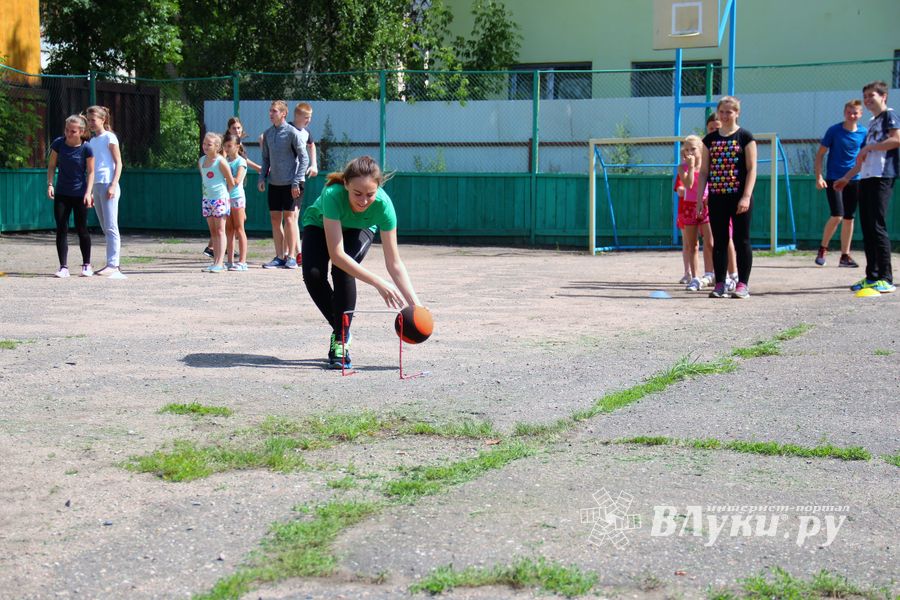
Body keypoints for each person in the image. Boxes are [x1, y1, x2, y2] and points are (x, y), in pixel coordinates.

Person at [301, 156, 421, 369]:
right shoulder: (332, 195)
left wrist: (416, 305)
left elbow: (394, 263)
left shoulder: (384, 207)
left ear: (378, 189)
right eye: (357, 193)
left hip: (360, 228)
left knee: (343, 271)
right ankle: (342, 327)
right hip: (319, 224)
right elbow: (337, 254)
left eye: (370, 195)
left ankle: (340, 339)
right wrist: (378, 283)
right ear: (346, 184)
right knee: (313, 275)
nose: (363, 201)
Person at [835, 80, 899, 294]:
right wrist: (847, 178)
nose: (868, 99)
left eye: (872, 95)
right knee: (868, 228)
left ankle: (886, 278)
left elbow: (896, 140)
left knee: (877, 226)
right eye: (866, 96)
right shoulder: (872, 122)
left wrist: (872, 146)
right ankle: (872, 275)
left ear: (883, 97)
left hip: (883, 176)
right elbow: (862, 157)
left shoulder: (889, 115)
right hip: (867, 177)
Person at [697, 96, 757, 299]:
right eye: (722, 111)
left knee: (742, 240)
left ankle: (742, 284)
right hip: (717, 197)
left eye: (729, 112)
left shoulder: (746, 137)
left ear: (737, 113)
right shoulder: (709, 140)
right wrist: (699, 198)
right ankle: (720, 283)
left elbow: (751, 169)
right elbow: (704, 171)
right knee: (719, 241)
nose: (725, 115)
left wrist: (746, 197)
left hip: (739, 198)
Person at [813, 100, 866, 268]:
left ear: (860, 114)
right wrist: (819, 177)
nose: (852, 115)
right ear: (844, 113)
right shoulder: (834, 131)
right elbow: (820, 154)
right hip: (834, 179)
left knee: (849, 218)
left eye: (855, 112)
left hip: (855, 179)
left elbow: (864, 156)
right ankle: (823, 248)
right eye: (849, 112)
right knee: (837, 215)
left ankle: (845, 256)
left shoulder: (864, 132)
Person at [258, 100, 307, 269]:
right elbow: (265, 159)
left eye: (274, 111)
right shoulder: (267, 134)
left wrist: (296, 182)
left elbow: (304, 158)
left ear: (283, 114)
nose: (271, 114)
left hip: (291, 184)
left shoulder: (292, 133)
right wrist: (262, 178)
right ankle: (280, 256)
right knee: (275, 219)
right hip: (274, 183)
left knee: (290, 219)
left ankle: (292, 257)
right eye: (270, 111)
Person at [203, 117, 262, 259]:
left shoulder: (239, 156)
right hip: (224, 196)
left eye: (239, 128)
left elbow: (240, 169)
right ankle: (220, 254)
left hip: (235, 195)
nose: (237, 130)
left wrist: (259, 168)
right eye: (234, 128)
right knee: (225, 228)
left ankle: (240, 259)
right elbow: (221, 169)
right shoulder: (224, 154)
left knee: (236, 226)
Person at [47, 115, 95, 278]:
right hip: (61, 193)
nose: (68, 133)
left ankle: (87, 265)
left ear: (81, 131)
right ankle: (63, 267)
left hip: (80, 194)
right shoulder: (58, 144)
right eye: (67, 130)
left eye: (72, 131)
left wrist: (89, 193)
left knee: (82, 229)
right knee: (61, 228)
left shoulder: (87, 148)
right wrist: (50, 184)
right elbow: (52, 165)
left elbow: (91, 172)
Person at [85, 105, 125, 278]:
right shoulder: (92, 142)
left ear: (103, 120)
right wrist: (91, 191)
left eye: (93, 120)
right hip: (97, 185)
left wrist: (113, 185)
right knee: (104, 226)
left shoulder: (110, 137)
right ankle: (111, 263)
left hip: (109, 184)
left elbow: (119, 163)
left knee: (111, 226)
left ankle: (113, 264)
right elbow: (92, 168)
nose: (90, 123)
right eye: (88, 120)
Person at [674, 135, 712, 291]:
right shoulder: (681, 167)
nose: (690, 152)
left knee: (710, 243)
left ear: (701, 149)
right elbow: (688, 185)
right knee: (692, 245)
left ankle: (711, 274)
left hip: (705, 206)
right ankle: (695, 277)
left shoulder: (707, 165)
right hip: (689, 207)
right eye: (687, 149)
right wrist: (690, 167)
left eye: (693, 149)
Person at [198, 132, 235, 273]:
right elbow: (205, 180)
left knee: (220, 230)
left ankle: (220, 263)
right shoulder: (201, 161)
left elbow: (231, 182)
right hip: (207, 199)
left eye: (209, 144)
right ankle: (215, 262)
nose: (206, 146)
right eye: (204, 143)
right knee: (213, 231)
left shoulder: (221, 161)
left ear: (217, 146)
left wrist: (225, 197)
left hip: (220, 200)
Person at [290, 102, 319, 265]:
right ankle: (290, 253)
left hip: (299, 179)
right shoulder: (287, 129)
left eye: (310, 117)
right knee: (287, 218)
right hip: (284, 179)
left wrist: (313, 164)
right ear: (297, 116)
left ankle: (296, 253)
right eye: (306, 117)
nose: (308, 120)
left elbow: (311, 145)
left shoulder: (306, 133)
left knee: (293, 216)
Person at [223, 133, 249, 271]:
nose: (226, 149)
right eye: (225, 146)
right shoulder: (224, 162)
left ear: (237, 146)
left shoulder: (241, 162)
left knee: (239, 228)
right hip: (226, 198)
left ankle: (243, 261)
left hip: (237, 198)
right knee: (229, 229)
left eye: (229, 146)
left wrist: (225, 179)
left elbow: (237, 181)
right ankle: (230, 261)